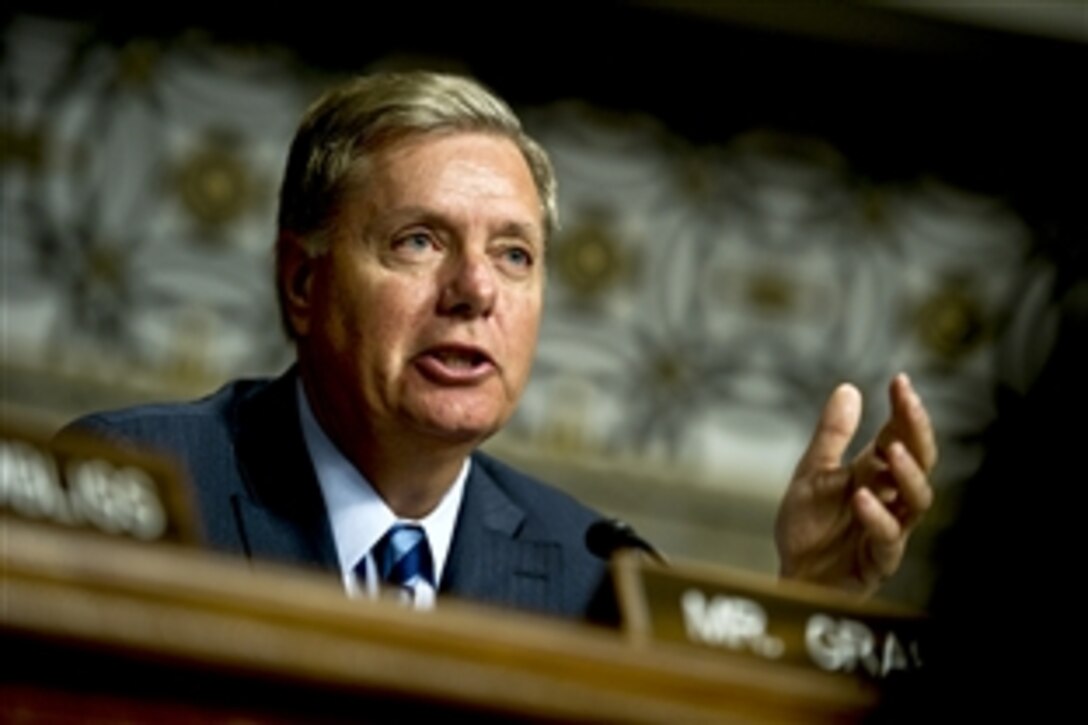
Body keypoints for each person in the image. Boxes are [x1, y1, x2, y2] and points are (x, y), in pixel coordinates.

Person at [60, 70, 937, 623]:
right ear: (301, 281)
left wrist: (804, 608)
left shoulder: (602, 581)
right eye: (419, 241)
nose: (476, 290)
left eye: (514, 255)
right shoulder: (131, 483)